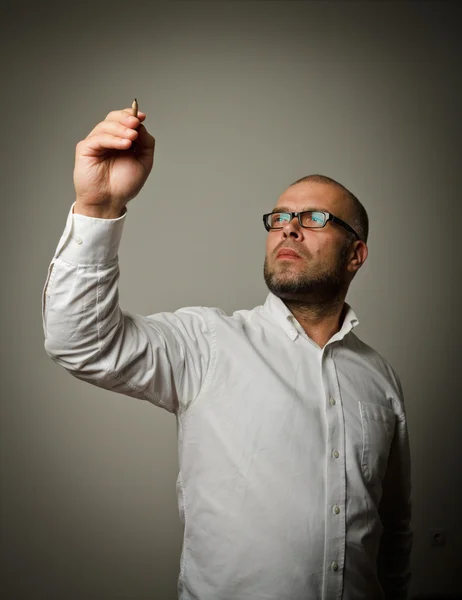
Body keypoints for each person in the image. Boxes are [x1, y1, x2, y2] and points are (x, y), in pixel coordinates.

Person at [42, 106, 412, 600]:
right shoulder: (207, 343)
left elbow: (392, 525)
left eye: (315, 218)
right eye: (280, 217)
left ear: (355, 254)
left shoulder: (380, 378)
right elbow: (80, 341)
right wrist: (100, 205)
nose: (289, 228)